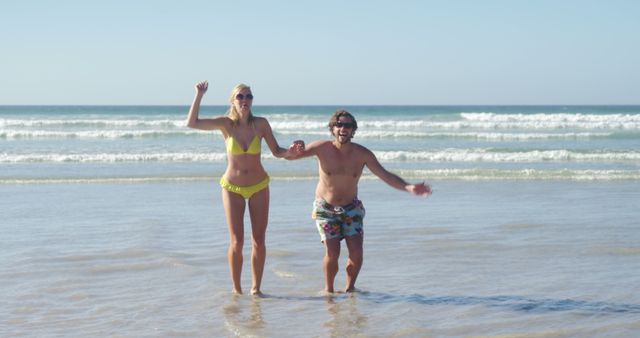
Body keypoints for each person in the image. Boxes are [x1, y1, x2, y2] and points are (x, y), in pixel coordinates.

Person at [292, 109, 431, 293]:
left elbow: (385, 175)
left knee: (356, 254)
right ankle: (329, 291)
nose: (343, 128)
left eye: (347, 126)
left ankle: (350, 290)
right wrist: (295, 147)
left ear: (353, 130)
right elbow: (292, 155)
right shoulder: (321, 148)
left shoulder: (362, 154)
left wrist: (408, 187)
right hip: (326, 208)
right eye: (339, 125)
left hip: (351, 208)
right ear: (333, 128)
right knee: (333, 253)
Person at [186, 81, 303, 295]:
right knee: (237, 242)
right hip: (232, 188)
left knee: (259, 241)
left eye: (249, 96)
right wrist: (199, 95)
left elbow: (277, 151)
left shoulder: (261, 124)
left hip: (259, 186)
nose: (245, 100)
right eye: (240, 96)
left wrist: (291, 152)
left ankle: (256, 289)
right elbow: (192, 123)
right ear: (233, 100)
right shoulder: (226, 125)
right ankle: (237, 290)